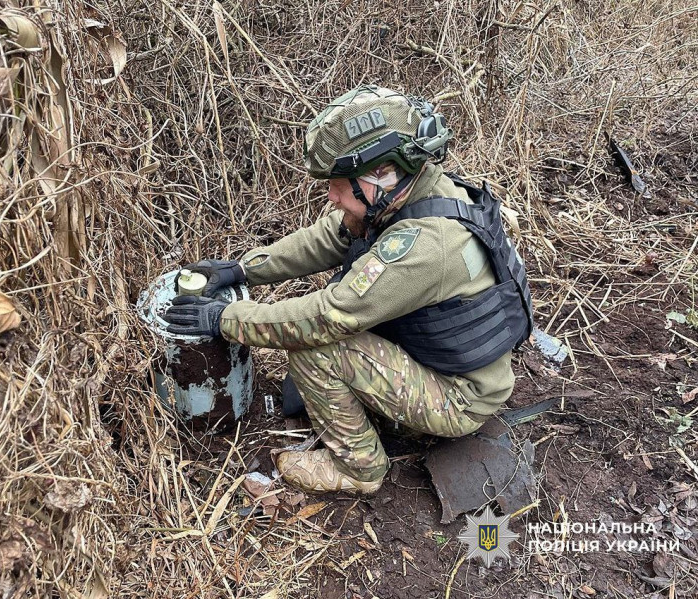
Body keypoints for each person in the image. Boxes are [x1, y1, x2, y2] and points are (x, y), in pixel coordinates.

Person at [163, 85, 533, 495]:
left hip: (459, 398)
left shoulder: (427, 247)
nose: (332, 196)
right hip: (443, 363)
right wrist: (242, 269)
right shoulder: (412, 191)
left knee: (316, 349)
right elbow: (329, 237)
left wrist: (223, 319)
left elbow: (328, 317)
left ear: (384, 173)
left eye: (340, 184)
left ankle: (358, 468)